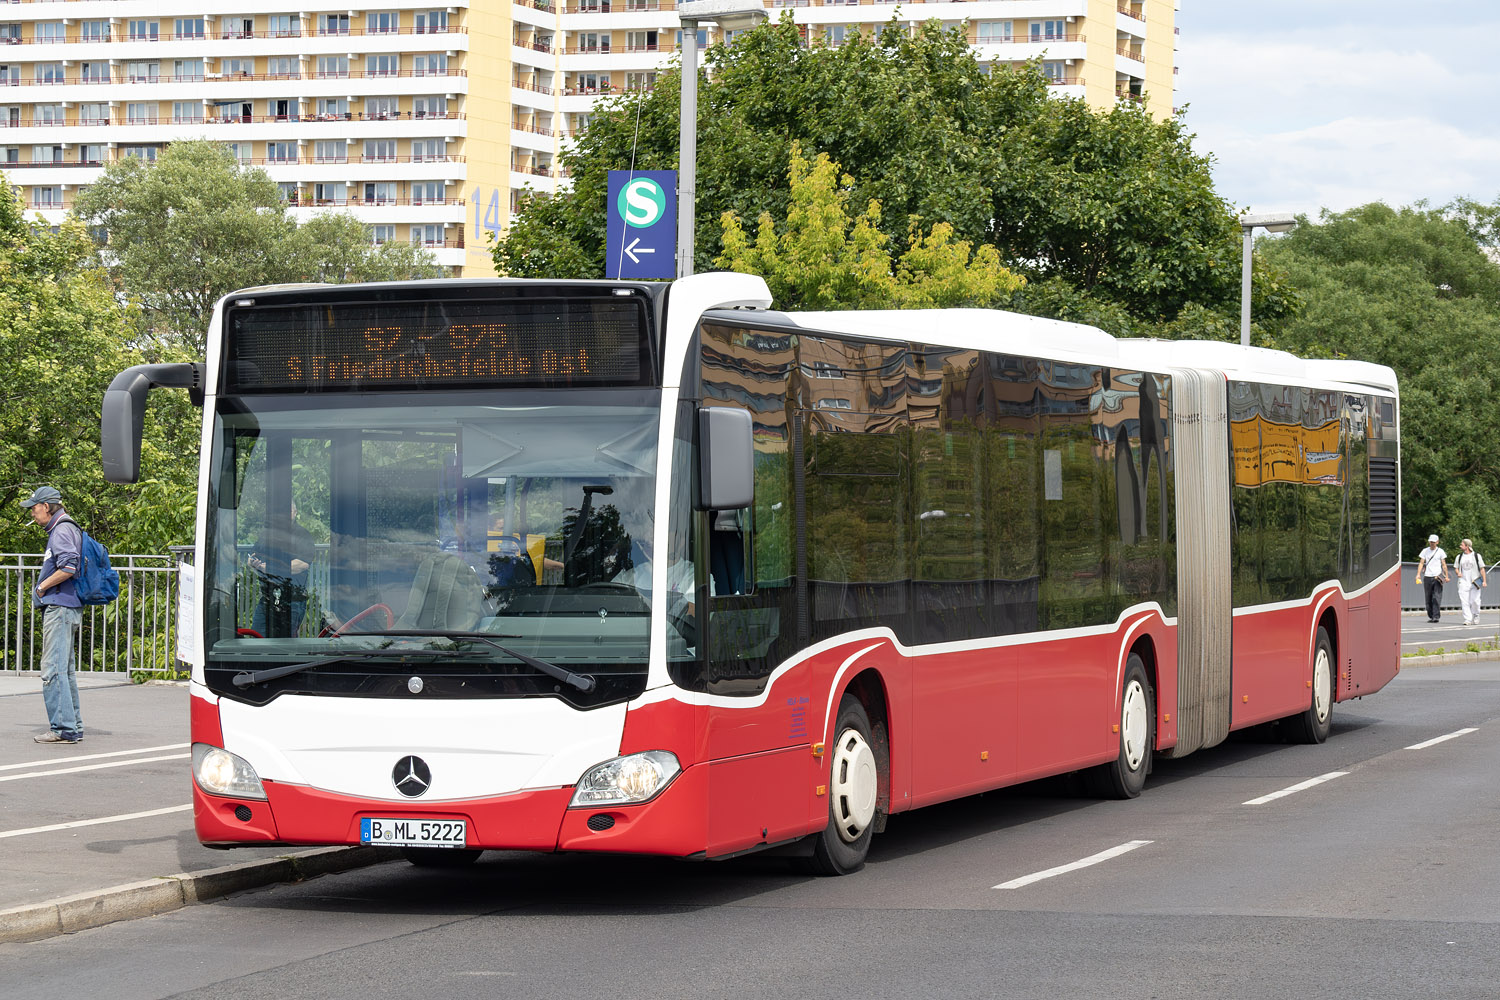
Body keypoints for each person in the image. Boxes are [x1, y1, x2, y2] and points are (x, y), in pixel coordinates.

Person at [21, 486, 84, 745]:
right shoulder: (67, 527)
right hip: (67, 606)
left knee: (52, 670)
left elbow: (70, 565)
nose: (33, 514)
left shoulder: (61, 530)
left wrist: (42, 586)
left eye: (34, 508)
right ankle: (72, 726)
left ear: (46, 506)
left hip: (60, 607)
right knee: (64, 670)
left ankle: (62, 728)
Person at [249, 501, 315, 637]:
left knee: (285, 645)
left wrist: (271, 568)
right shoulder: (268, 534)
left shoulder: (302, 535)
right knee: (255, 639)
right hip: (267, 599)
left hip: (293, 600)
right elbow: (252, 556)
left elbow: (302, 564)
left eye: (289, 511)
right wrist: (253, 563)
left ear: (295, 513)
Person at [1415, 533, 1449, 624]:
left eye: (1433, 542)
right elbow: (1421, 563)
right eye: (1430, 542)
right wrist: (1418, 574)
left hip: (1437, 577)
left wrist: (1446, 576)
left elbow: (1444, 564)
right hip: (1427, 576)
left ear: (1437, 542)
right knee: (1428, 597)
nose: (1432, 543)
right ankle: (1431, 615)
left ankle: (1436, 616)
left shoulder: (1440, 551)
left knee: (1436, 597)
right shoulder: (1425, 551)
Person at [1454, 538, 1488, 626]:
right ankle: (1467, 619)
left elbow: (1482, 569)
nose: (1460, 545)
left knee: (1475, 601)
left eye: (1462, 544)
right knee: (1464, 601)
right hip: (1463, 582)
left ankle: (1476, 615)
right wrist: (1458, 573)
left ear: (1467, 546)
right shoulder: (1459, 556)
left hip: (1474, 582)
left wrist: (1484, 581)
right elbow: (1456, 567)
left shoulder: (1476, 556)